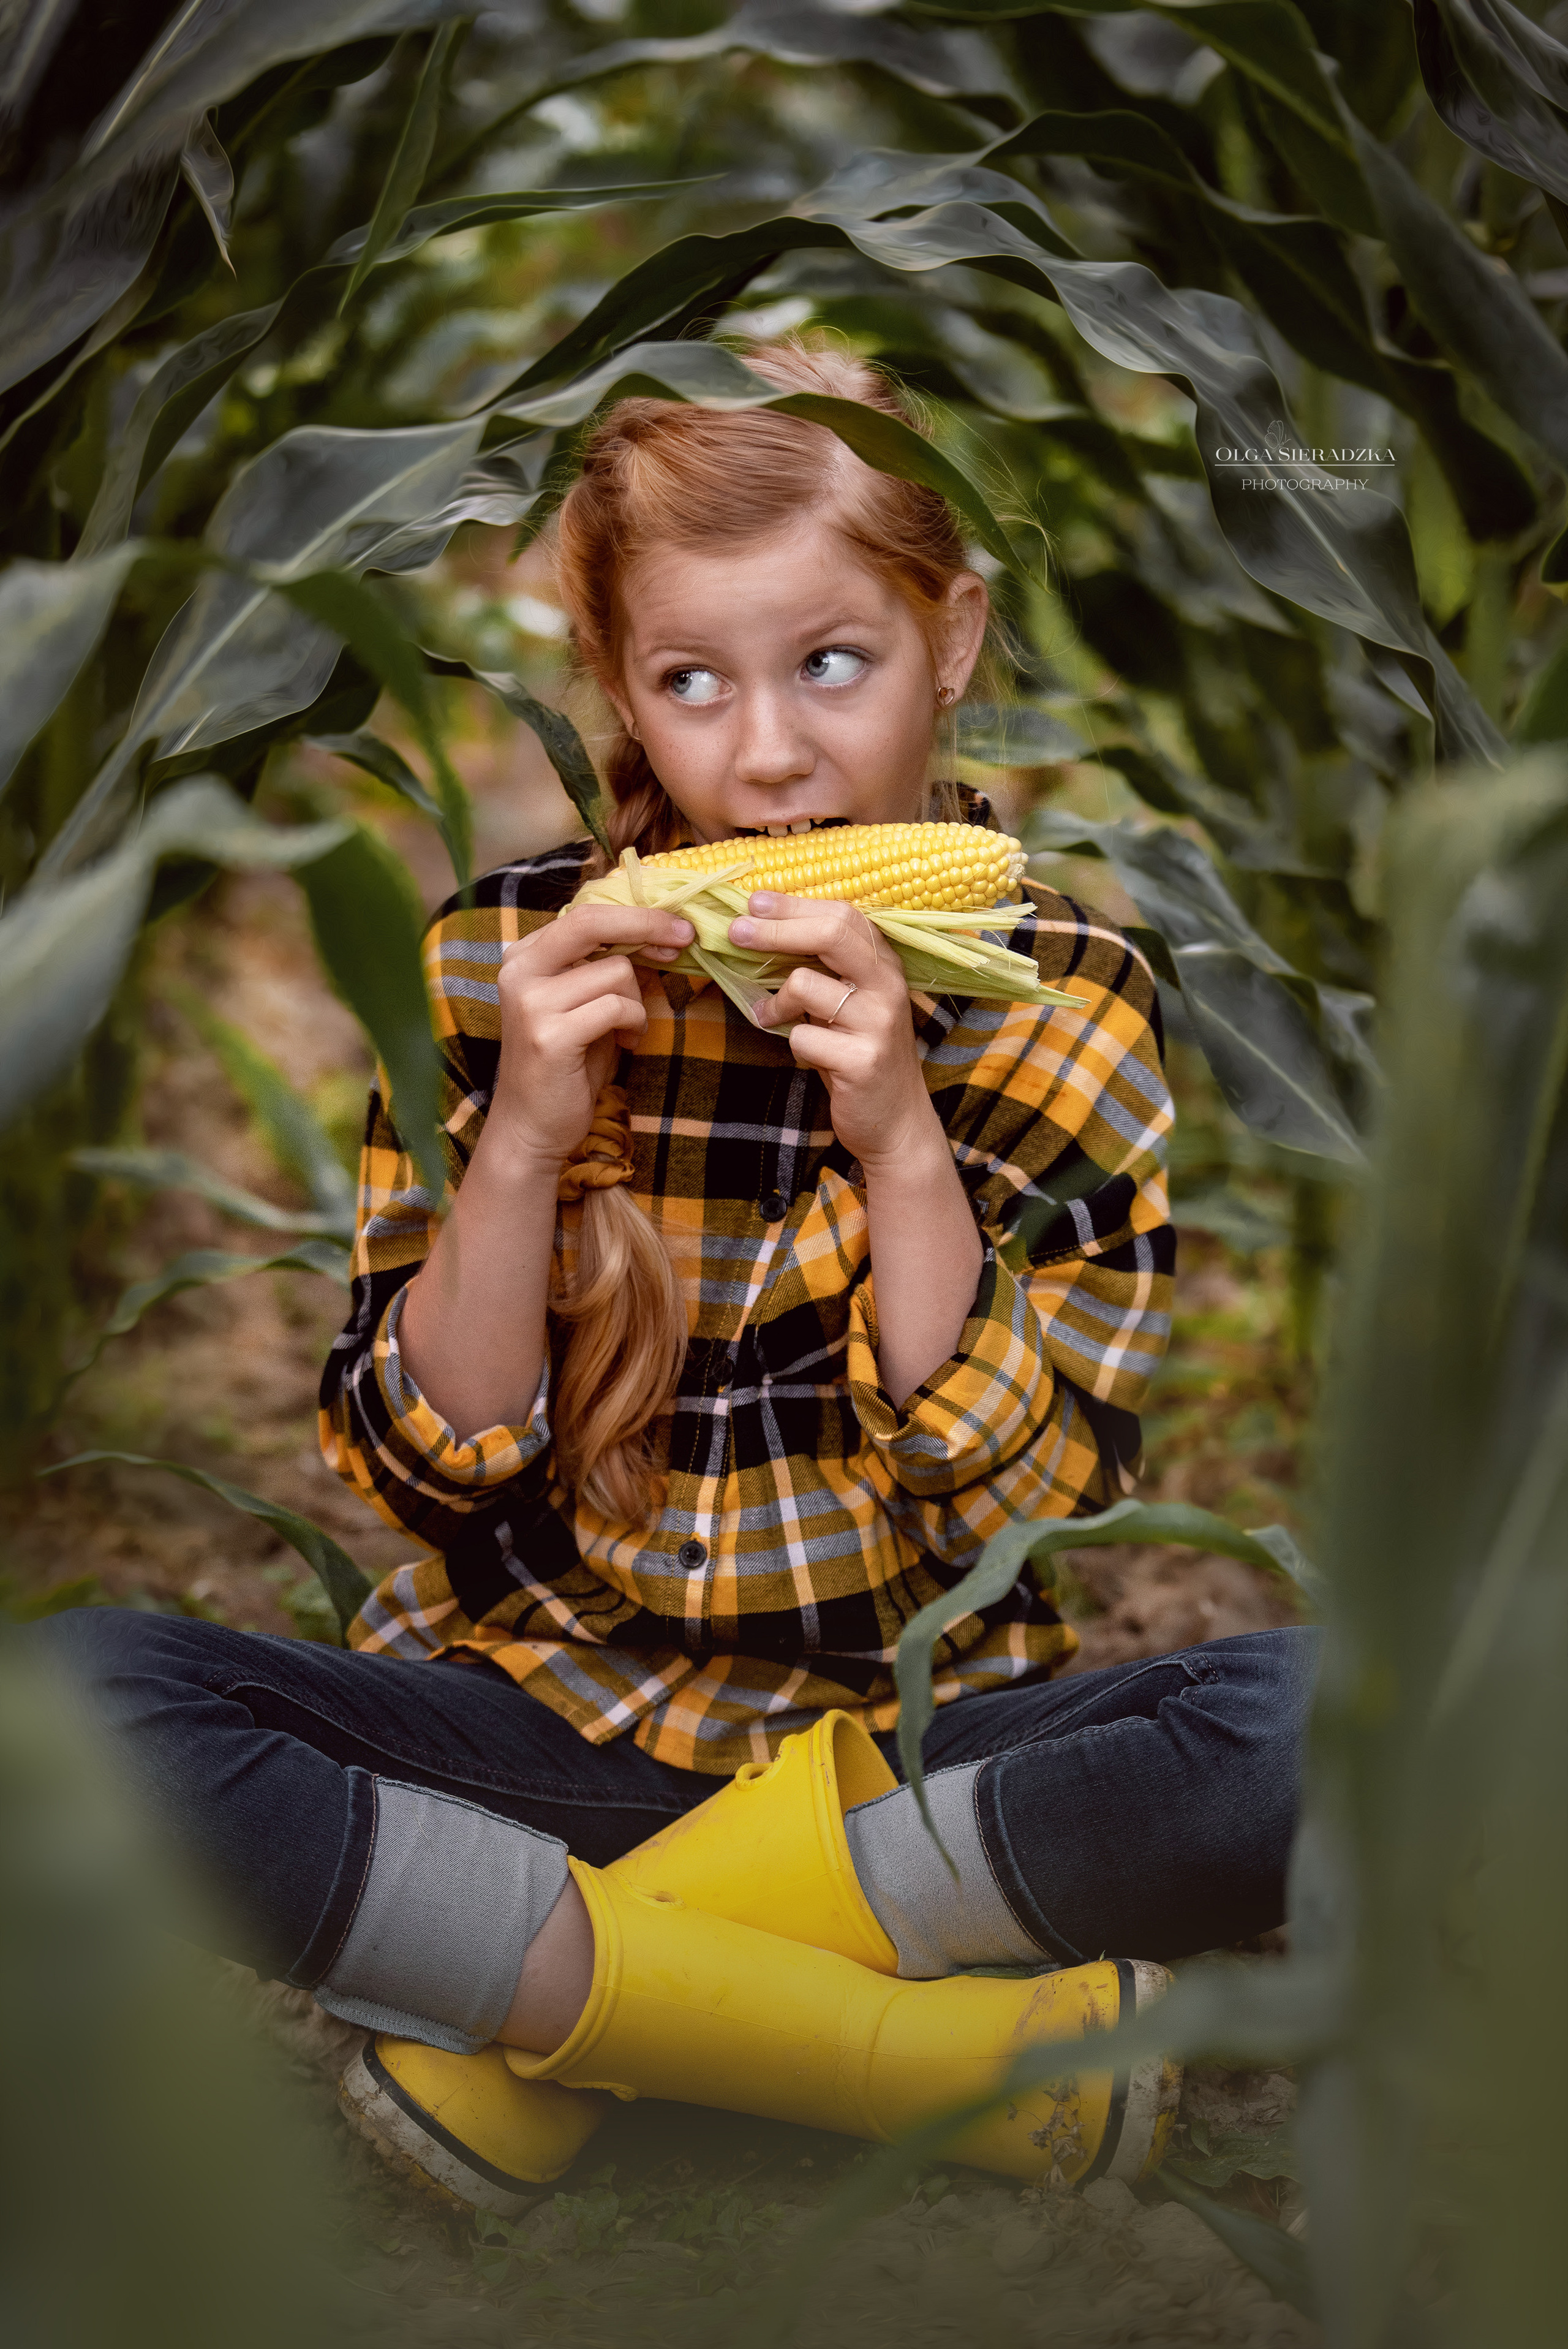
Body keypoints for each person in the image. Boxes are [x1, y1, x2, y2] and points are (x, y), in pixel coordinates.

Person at [36, 340, 1314, 2211]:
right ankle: (890, 2045)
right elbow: (420, 1467)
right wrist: (531, 1133)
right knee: (73, 1707)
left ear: (949, 642)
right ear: (622, 685)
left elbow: (1033, 1505)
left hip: (907, 1761)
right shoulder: (493, 969)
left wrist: (899, 1141)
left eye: (833, 665)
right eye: (691, 682)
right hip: (545, 1730)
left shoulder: (1072, 1007)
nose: (771, 755)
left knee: (1320, 1726)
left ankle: (540, 2014)